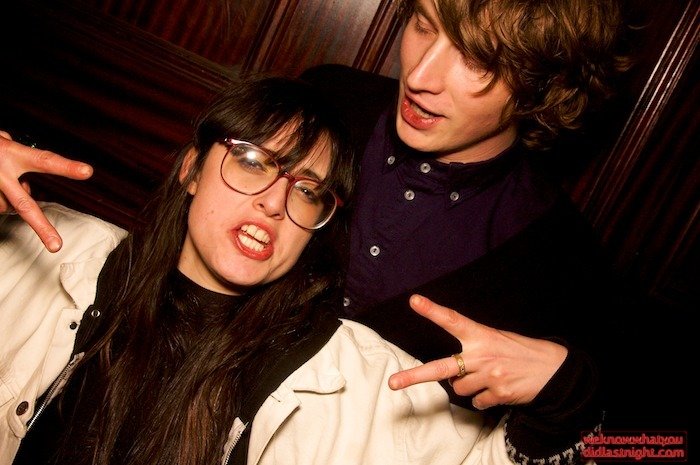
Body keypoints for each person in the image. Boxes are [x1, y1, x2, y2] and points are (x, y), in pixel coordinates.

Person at [1, 0, 630, 463]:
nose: (420, 75)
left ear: (542, 83)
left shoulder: (562, 261)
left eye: (477, 58)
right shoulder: (330, 106)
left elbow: (647, 447)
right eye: (423, 25)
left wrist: (570, 394)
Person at [1, 77, 519, 465]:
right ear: (191, 170)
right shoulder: (49, 253)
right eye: (253, 161)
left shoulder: (356, 378)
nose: (275, 202)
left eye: (308, 190)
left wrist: (558, 399)